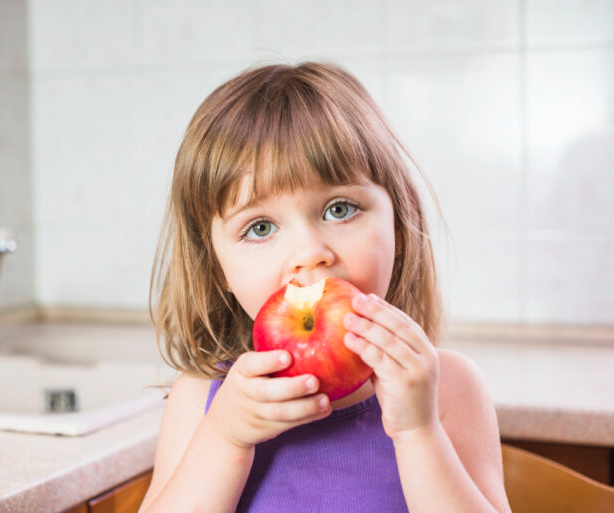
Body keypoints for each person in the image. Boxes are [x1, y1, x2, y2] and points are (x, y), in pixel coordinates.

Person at [139, 62, 511, 513]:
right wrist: (225, 437)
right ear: (217, 267)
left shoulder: (449, 388)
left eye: (339, 209)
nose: (309, 253)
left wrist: (418, 431)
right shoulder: (203, 398)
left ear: (397, 221)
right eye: (259, 227)